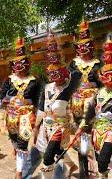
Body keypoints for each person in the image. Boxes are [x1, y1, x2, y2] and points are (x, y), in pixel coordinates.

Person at [77, 37, 112, 178]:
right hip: (96, 129)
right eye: (104, 75)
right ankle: (108, 173)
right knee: (100, 159)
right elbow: (89, 114)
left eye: (110, 74)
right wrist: (81, 127)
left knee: (103, 160)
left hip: (111, 130)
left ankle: (104, 173)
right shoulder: (98, 93)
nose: (106, 77)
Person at [0, 38, 41, 178]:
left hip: (27, 115)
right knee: (13, 139)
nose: (19, 66)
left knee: (23, 144)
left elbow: (38, 101)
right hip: (11, 114)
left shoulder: (34, 81)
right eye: (16, 63)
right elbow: (0, 94)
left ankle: (19, 173)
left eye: (22, 63)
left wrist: (38, 118)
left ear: (27, 64)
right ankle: (15, 149)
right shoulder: (9, 79)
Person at [35, 33, 82, 178]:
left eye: (57, 72)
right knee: (55, 151)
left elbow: (78, 74)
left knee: (48, 158)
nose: (54, 75)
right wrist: (36, 127)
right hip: (46, 125)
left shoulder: (68, 88)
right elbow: (41, 108)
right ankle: (72, 165)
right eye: (51, 72)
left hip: (60, 127)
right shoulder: (47, 87)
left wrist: (62, 62)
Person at [69, 21, 102, 178]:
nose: (83, 49)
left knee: (95, 140)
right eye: (80, 46)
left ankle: (97, 171)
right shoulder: (73, 64)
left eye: (86, 46)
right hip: (76, 108)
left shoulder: (98, 64)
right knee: (80, 138)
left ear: (91, 46)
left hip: (94, 108)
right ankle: (83, 172)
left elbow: (104, 86)